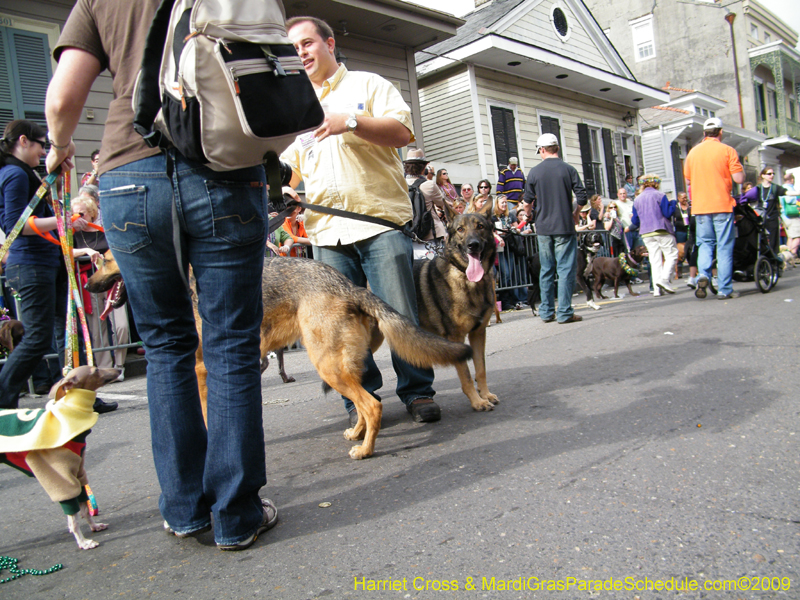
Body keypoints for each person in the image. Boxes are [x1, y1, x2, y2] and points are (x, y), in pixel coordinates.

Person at [45, 0, 277, 549]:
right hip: (225, 164)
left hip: (130, 173)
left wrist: (59, 148)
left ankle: (184, 510)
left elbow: (61, 99)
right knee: (229, 344)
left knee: (167, 345)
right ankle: (236, 515)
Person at [280, 16, 441, 425]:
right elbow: (292, 167)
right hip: (326, 232)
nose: (300, 53)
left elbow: (403, 134)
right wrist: (286, 188)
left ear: (329, 43)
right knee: (341, 326)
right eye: (293, 48)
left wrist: (348, 122)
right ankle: (360, 399)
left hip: (379, 224)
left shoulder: (369, 85)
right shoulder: (295, 104)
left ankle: (418, 391)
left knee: (398, 314)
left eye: (306, 43)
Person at [0, 120, 90, 409]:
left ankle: (84, 395)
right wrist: (68, 222)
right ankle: (3, 398)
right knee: (38, 337)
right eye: (42, 144)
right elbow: (17, 224)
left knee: (70, 330)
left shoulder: (22, 172)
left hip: (43, 261)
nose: (44, 152)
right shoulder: (15, 173)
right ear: (24, 141)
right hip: (32, 263)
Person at [522, 132, 587, 324]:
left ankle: (546, 312)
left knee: (546, 270)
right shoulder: (569, 169)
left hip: (543, 227)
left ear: (542, 150)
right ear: (557, 148)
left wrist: (529, 214)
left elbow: (527, 201)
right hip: (564, 226)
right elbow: (582, 197)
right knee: (566, 269)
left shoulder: (534, 171)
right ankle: (565, 312)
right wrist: (575, 214)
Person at [683, 117, 745, 300]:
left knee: (704, 244)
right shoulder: (727, 150)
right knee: (724, 247)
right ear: (720, 132)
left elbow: (687, 180)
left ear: (704, 133)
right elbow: (739, 179)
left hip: (700, 207)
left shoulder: (693, 153)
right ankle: (725, 289)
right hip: (722, 205)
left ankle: (703, 275)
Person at [72, 194, 129, 386]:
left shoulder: (105, 232)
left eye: (80, 213)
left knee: (121, 325)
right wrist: (86, 252)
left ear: (92, 213)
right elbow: (64, 251)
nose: (76, 216)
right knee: (97, 329)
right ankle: (105, 368)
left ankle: (119, 366)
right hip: (89, 282)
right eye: (73, 213)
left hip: (114, 282)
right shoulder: (73, 235)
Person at [630, 174, 678, 297]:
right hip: (661, 229)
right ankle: (665, 279)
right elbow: (667, 213)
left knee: (654, 260)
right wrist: (673, 203)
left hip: (646, 232)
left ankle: (657, 289)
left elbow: (635, 221)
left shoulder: (637, 199)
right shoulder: (660, 195)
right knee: (671, 254)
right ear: (656, 184)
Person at [405, 149, 447, 257]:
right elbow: (443, 204)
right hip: (430, 236)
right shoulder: (429, 185)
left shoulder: (401, 184)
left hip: (408, 235)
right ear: (424, 168)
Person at [752, 167, 798, 257]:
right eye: (769, 174)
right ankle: (764, 262)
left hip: (772, 219)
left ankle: (774, 262)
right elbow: (748, 198)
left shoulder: (775, 188)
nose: (772, 175)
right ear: (763, 175)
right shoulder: (757, 189)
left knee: (773, 242)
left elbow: (787, 193)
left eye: (773, 174)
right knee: (760, 241)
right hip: (761, 219)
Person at [491, 195, 526, 310]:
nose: (504, 205)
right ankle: (505, 301)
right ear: (497, 204)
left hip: (509, 246)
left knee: (510, 274)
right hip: (499, 248)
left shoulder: (510, 215)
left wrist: (514, 229)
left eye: (506, 202)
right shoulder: (492, 217)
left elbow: (517, 229)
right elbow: (491, 231)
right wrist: (499, 236)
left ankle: (510, 301)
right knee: (505, 273)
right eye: (502, 203)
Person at [780, 173, 800, 257]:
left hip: (785, 216)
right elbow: (788, 200)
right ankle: (792, 254)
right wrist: (796, 200)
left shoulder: (781, 188)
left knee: (790, 237)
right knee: (798, 236)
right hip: (792, 216)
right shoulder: (789, 188)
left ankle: (787, 257)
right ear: (792, 180)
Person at [615, 186, 638, 251]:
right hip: (625, 230)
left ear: (626, 194)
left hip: (635, 228)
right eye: (621, 194)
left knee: (637, 249)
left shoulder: (631, 203)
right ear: (618, 195)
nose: (623, 195)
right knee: (628, 250)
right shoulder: (616, 204)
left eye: (624, 193)